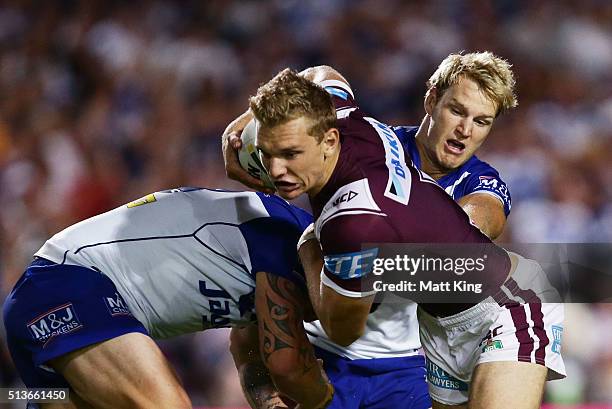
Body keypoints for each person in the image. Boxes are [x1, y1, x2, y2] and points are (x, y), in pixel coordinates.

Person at [223, 62, 564, 409]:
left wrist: (312, 243)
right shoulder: (362, 130)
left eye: (481, 121)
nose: (464, 130)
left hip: (495, 310)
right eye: (457, 111)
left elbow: (462, 232)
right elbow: (318, 76)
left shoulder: (480, 184)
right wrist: (243, 130)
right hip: (434, 328)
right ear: (431, 101)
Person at [3, 187, 333, 409]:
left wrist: (268, 401)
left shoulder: (295, 268)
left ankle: (10, 396)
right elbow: (291, 370)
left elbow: (248, 354)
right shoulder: (285, 237)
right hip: (70, 284)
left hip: (54, 295)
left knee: (53, 399)